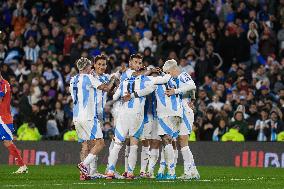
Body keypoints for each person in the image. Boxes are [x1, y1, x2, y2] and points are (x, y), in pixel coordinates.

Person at [70, 57, 106, 179]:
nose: (92, 68)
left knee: (85, 145)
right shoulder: (89, 78)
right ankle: (84, 165)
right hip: (88, 116)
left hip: (76, 116)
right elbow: (105, 87)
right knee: (100, 143)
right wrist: (113, 79)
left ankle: (83, 174)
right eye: (90, 66)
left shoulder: (72, 79)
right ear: (86, 67)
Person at [0, 70, 28, 173]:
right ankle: (22, 165)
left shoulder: (4, 84)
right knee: (7, 142)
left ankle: (22, 165)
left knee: (7, 142)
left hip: (3, 118)